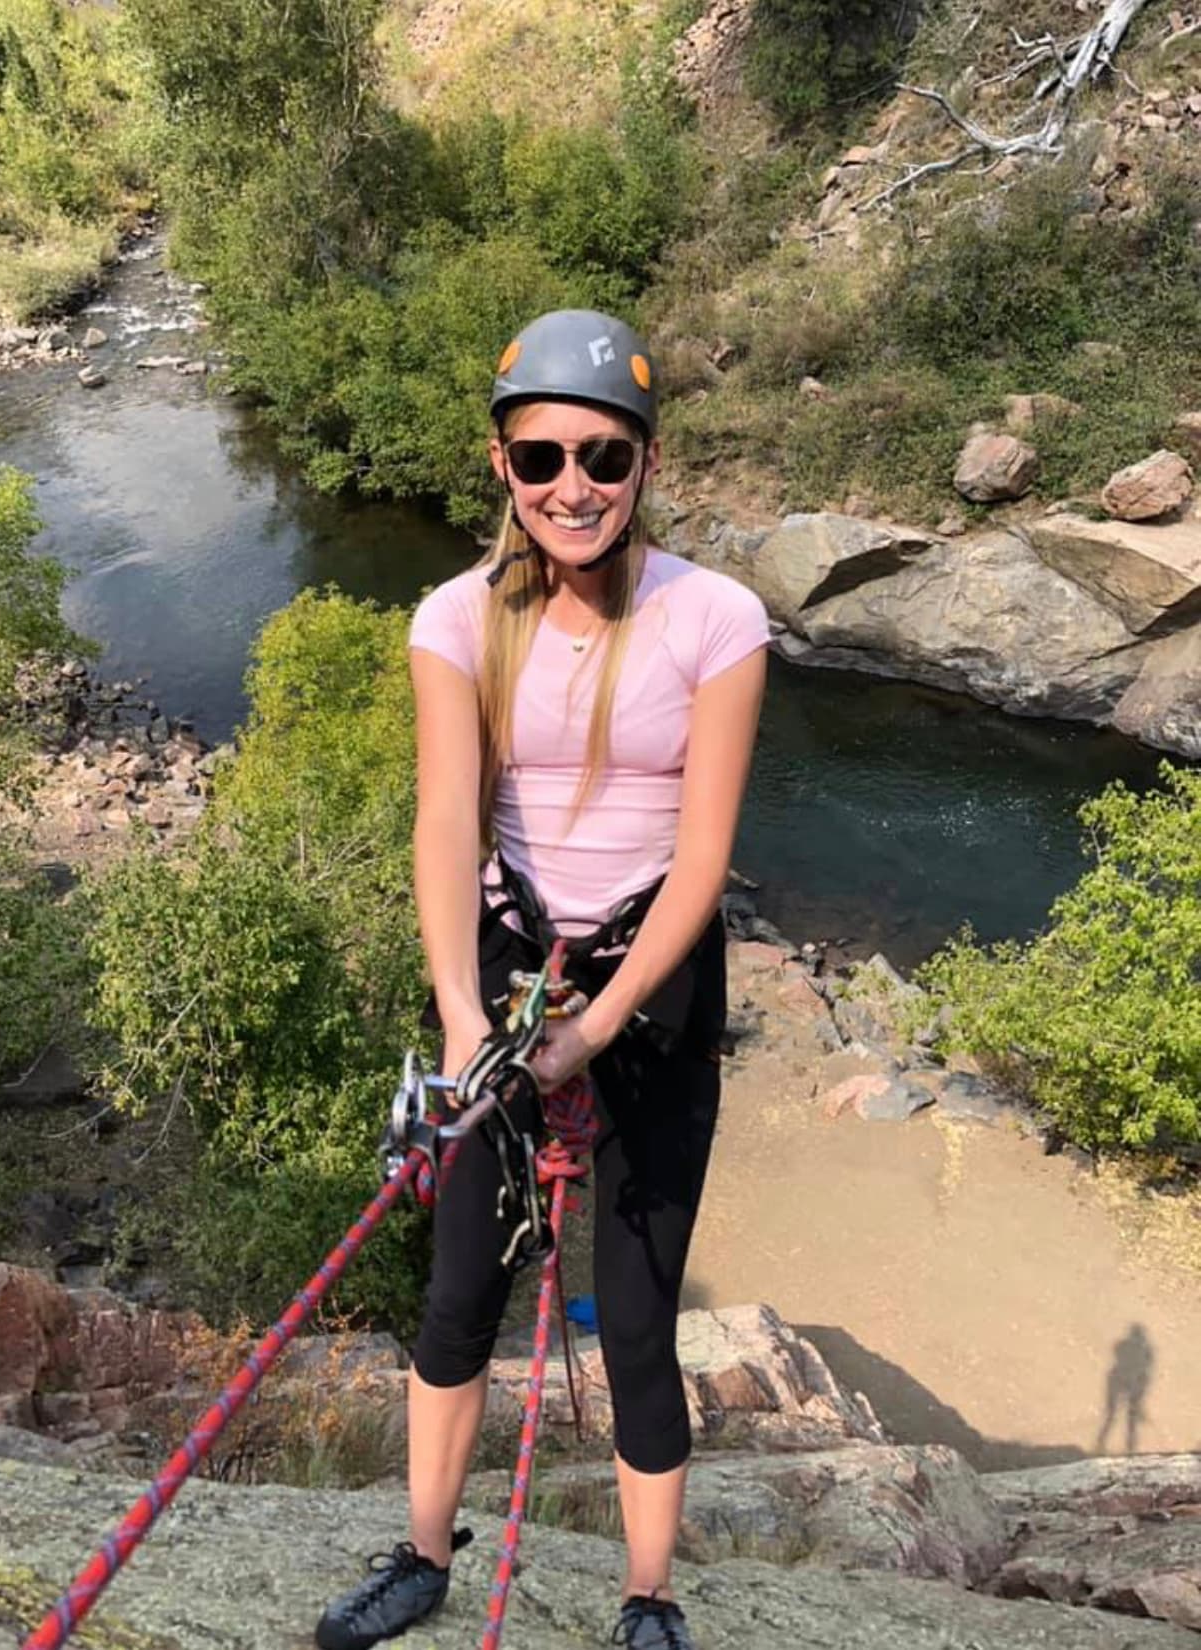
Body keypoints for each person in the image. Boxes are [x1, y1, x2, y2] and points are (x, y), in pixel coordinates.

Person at [316, 309, 769, 1650]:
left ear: (645, 463)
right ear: (502, 465)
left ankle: (649, 1594)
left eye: (603, 457)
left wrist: (602, 1027)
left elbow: (703, 857)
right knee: (462, 1283)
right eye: (541, 458)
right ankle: (421, 1554)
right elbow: (445, 821)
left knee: (635, 1312)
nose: (573, 486)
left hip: (652, 973)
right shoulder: (457, 619)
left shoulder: (716, 619)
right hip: (507, 965)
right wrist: (466, 1015)